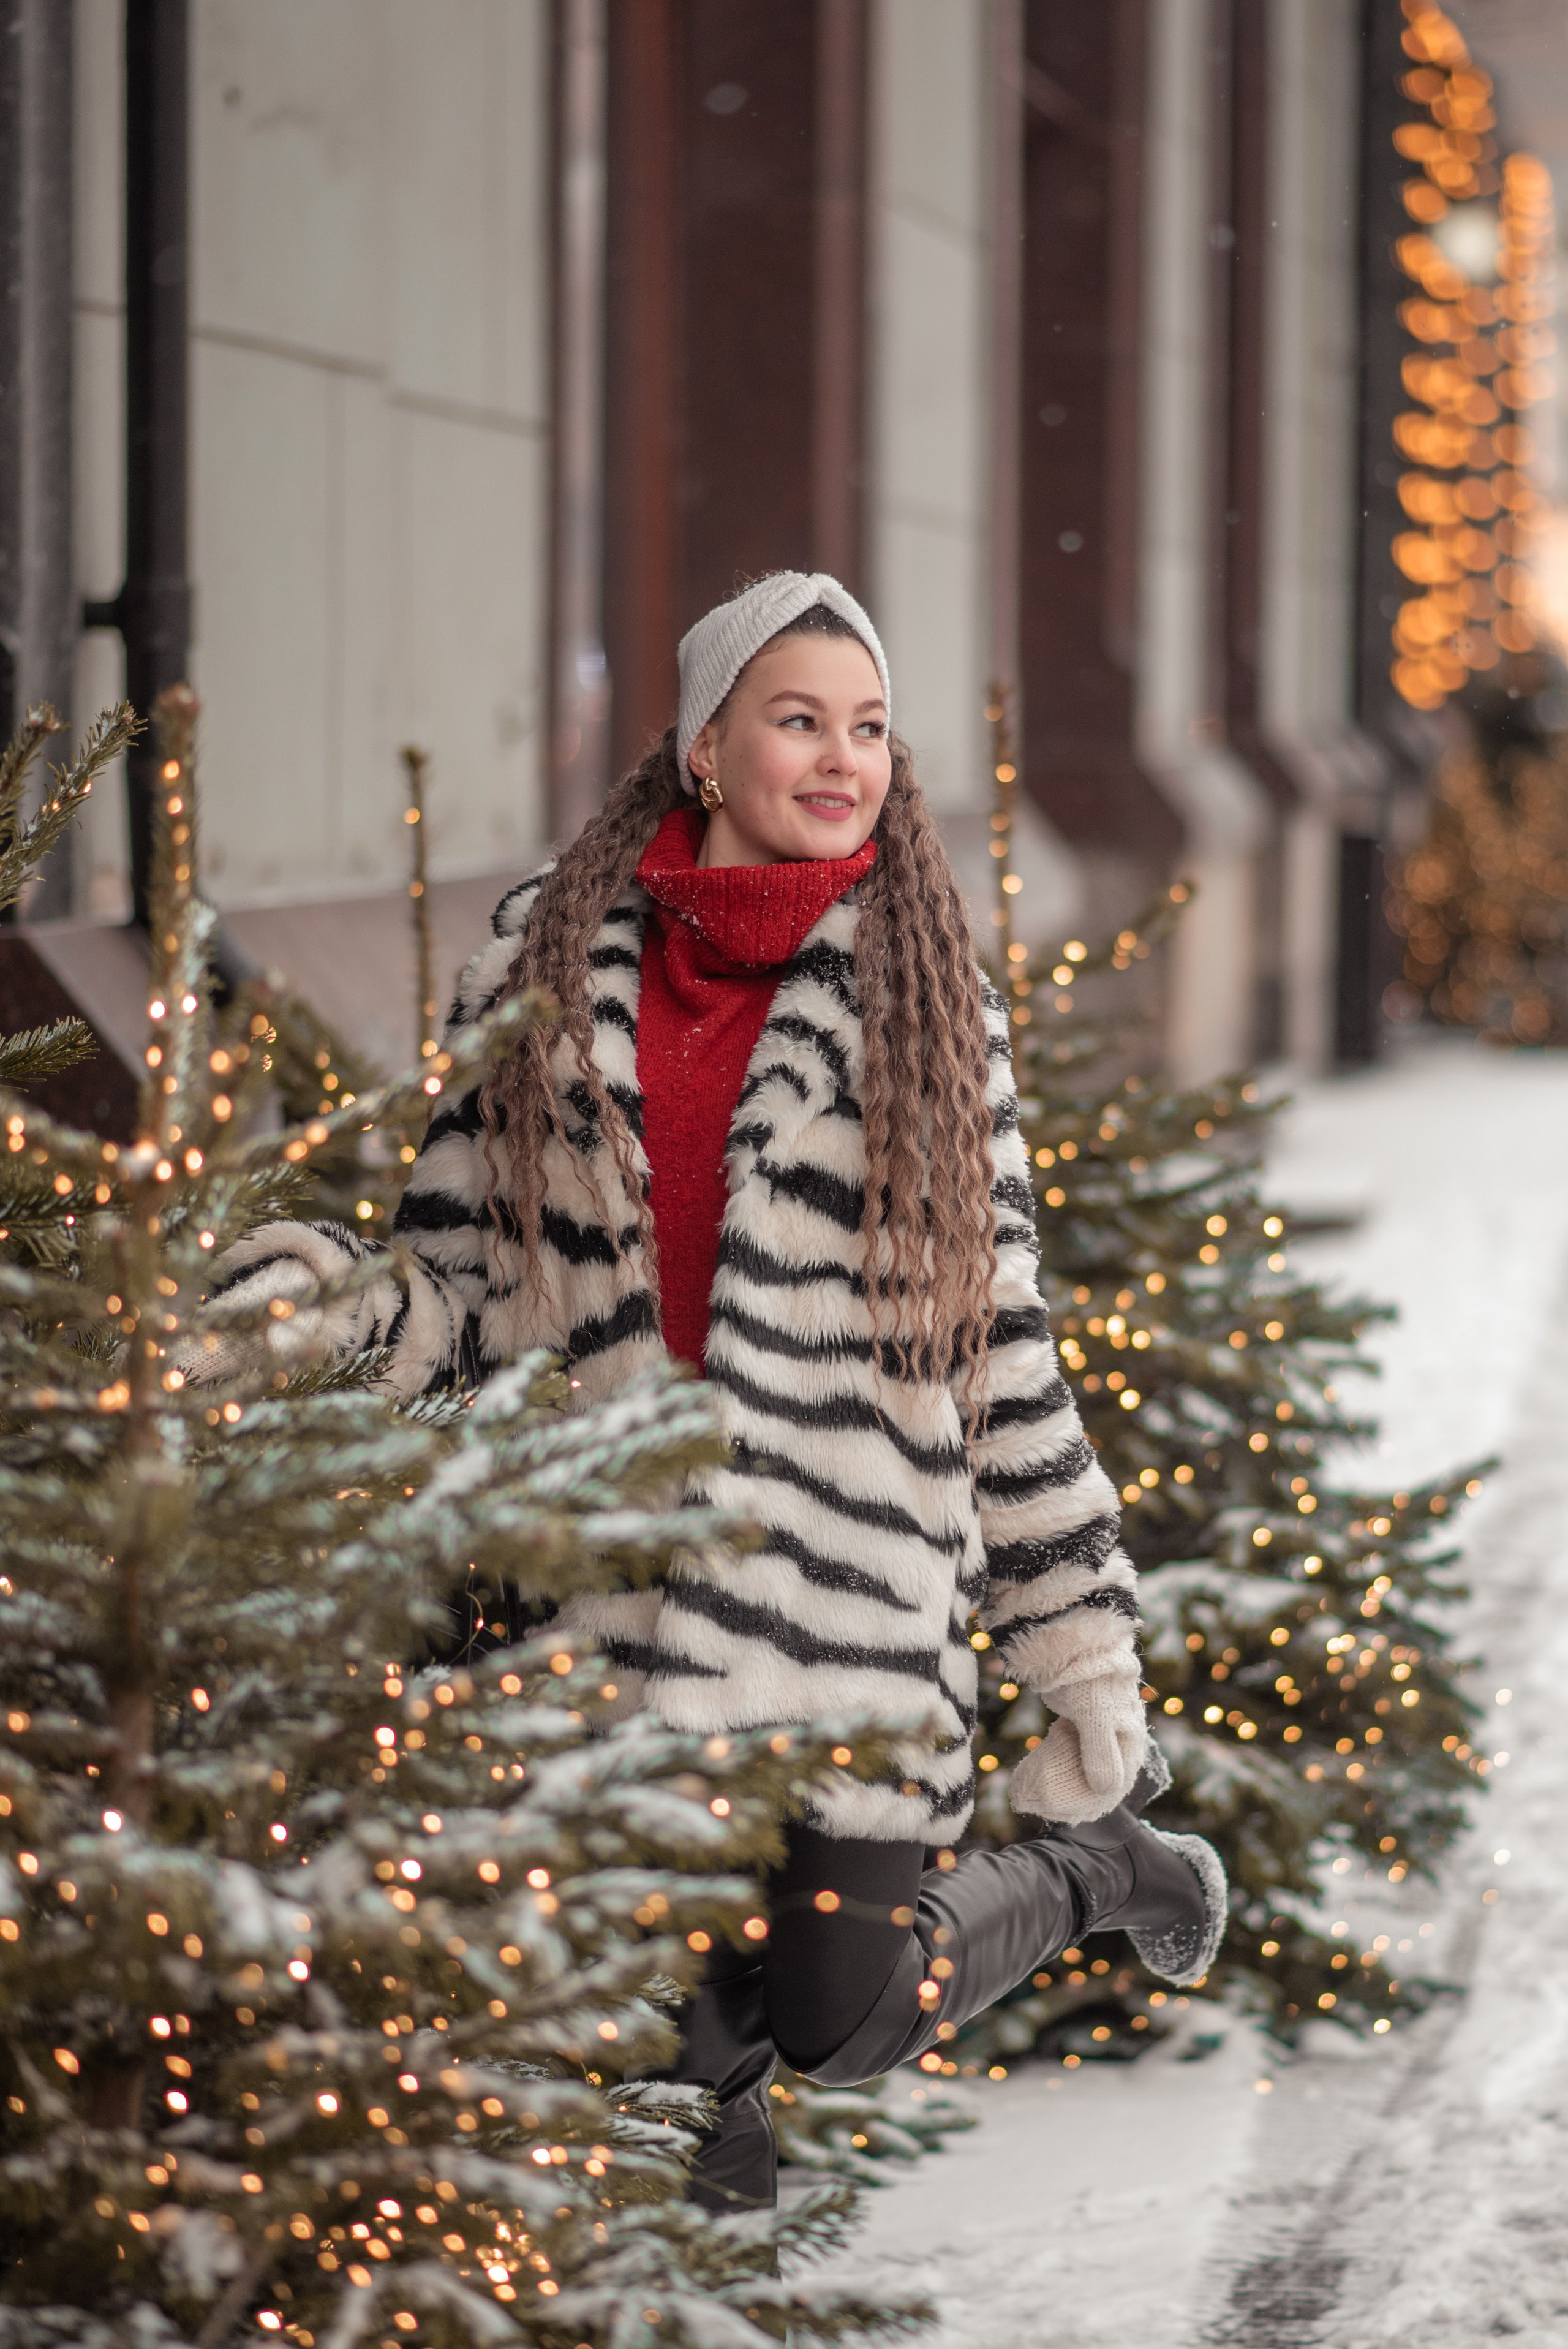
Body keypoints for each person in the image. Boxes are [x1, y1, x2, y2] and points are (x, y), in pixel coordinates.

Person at [217, 572, 1225, 2211]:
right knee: (638, 2026)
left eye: (871, 729)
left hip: (850, 1606)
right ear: (704, 745)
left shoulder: (924, 1009)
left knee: (841, 2012)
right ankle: (711, 2148)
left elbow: (1007, 1355)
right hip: (615, 1597)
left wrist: (1078, 1644)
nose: (843, 760)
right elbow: (459, 1288)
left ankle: (1099, 1868)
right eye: (800, 720)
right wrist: (309, 1310)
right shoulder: (540, 974)